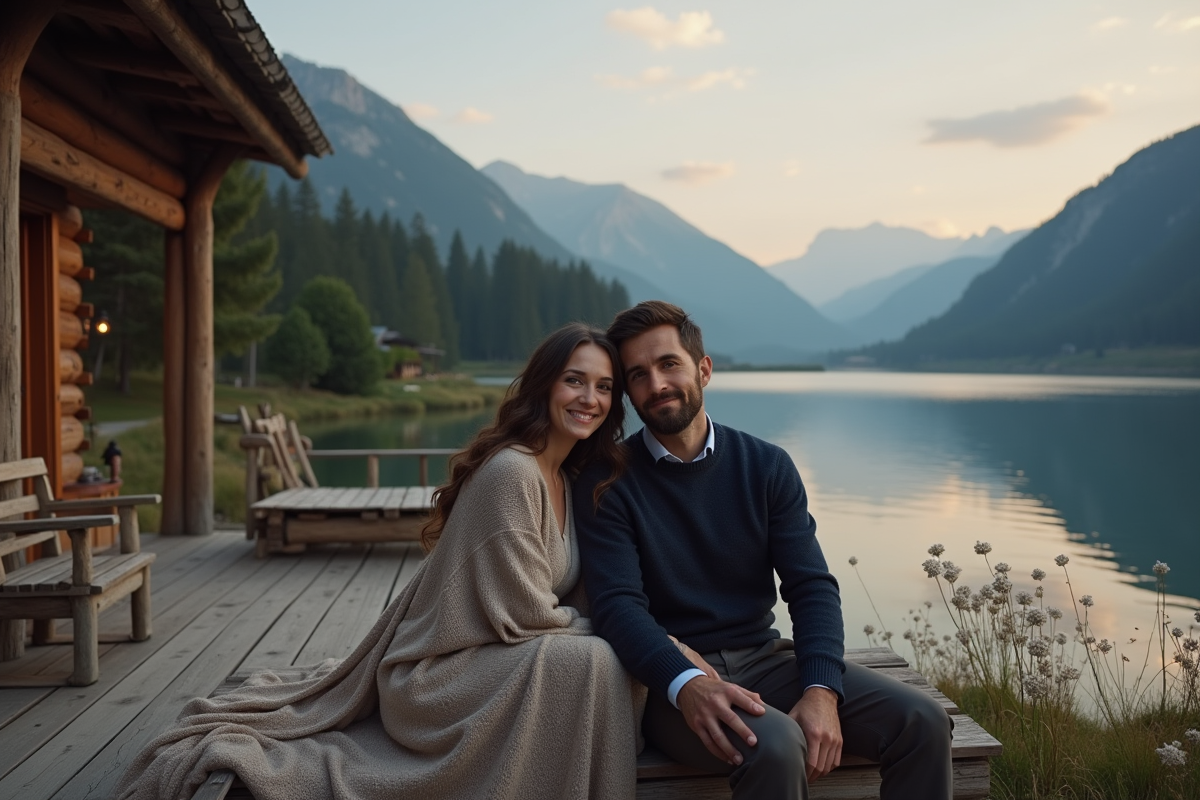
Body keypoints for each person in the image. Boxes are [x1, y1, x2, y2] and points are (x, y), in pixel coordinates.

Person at [117, 323, 645, 800]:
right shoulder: (514, 474)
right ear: (545, 385)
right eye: (575, 381)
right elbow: (525, 615)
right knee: (597, 660)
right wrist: (620, 634)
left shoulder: (569, 479)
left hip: (497, 659)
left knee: (603, 658)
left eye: (604, 387)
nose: (589, 398)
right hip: (437, 679)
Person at [574, 301, 953, 800]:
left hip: (767, 659)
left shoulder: (767, 466)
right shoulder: (608, 481)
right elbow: (617, 607)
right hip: (667, 682)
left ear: (703, 370)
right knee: (775, 744)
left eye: (669, 364)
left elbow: (811, 587)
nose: (657, 384)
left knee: (923, 720)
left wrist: (821, 690)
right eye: (638, 375)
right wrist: (687, 682)